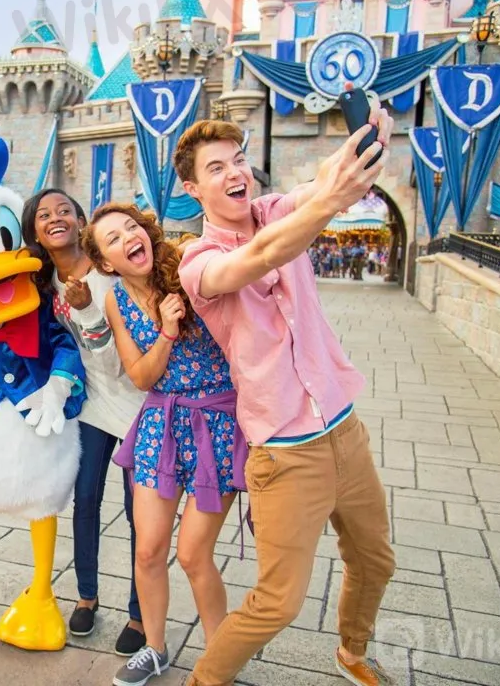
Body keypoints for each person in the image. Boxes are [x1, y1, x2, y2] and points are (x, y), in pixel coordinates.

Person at [173, 111, 397, 686]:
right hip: (286, 452)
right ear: (192, 187)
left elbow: (321, 184)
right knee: (279, 601)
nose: (235, 173)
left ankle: (352, 652)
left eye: (239, 160)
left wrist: (361, 148)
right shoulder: (198, 262)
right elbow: (260, 257)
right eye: (216, 168)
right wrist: (331, 200)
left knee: (376, 560)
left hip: (344, 428)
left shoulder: (275, 210)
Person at [80, 203, 247, 686]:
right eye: (113, 238)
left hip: (218, 422)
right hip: (160, 423)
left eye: (131, 227)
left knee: (193, 554)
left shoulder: (189, 267)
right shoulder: (115, 300)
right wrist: (167, 333)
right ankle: (155, 648)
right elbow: (140, 376)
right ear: (106, 262)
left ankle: (219, 662)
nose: (129, 237)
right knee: (149, 550)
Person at [21, 188, 146, 655]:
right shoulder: (41, 283)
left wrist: (88, 308)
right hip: (90, 402)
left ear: (80, 221)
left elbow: (118, 361)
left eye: (64, 211)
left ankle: (139, 613)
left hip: (136, 400)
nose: (55, 218)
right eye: (44, 215)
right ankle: (86, 596)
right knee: (86, 498)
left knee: (140, 513)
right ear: (35, 231)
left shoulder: (109, 272)